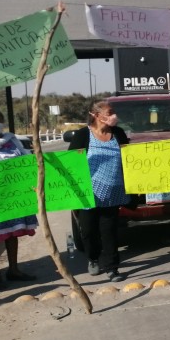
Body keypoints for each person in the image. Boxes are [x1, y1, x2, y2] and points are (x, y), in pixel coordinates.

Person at [68, 100, 129, 282]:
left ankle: (112, 267)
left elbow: (129, 159)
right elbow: (71, 163)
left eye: (113, 112)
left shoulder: (118, 134)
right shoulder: (82, 135)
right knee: (88, 231)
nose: (113, 116)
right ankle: (93, 258)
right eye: (109, 113)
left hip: (113, 193)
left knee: (109, 231)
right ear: (95, 115)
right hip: (88, 194)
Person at [0, 107, 37, 290]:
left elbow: (26, 163)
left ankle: (14, 269)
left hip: (13, 195)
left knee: (12, 234)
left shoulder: (12, 141)